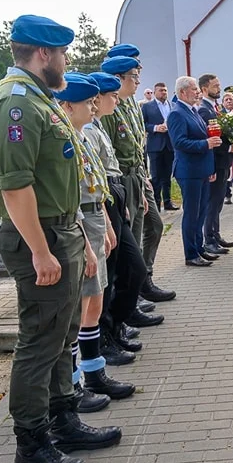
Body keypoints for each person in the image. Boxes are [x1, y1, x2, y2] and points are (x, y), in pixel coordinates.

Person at [0, 14, 120, 463]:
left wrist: (76, 233)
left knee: (62, 337)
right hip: (37, 237)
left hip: (60, 230)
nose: (66, 61)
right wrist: (40, 251)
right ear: (43, 54)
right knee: (40, 342)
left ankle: (64, 419)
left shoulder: (40, 100)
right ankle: (32, 444)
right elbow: (15, 186)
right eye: (62, 53)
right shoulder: (17, 104)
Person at [53, 72, 135, 407]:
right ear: (68, 105)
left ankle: (93, 370)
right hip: (80, 220)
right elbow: (69, 195)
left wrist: (107, 224)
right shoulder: (65, 139)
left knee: (95, 298)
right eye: (87, 102)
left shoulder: (85, 135)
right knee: (81, 305)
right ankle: (74, 384)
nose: (93, 107)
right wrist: (86, 239)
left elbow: (96, 182)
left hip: (95, 216)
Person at [99, 54, 172, 315]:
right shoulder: (109, 107)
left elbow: (136, 144)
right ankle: (128, 293)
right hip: (122, 179)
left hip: (137, 176)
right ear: (118, 78)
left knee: (153, 225)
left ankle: (142, 281)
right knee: (128, 237)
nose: (139, 80)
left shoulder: (128, 104)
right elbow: (106, 153)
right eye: (134, 75)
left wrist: (144, 179)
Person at [86, 72, 148, 366]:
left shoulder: (96, 125)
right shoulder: (87, 129)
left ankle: (114, 327)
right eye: (111, 96)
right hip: (103, 199)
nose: (116, 100)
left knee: (128, 268)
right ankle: (104, 338)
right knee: (110, 276)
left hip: (113, 194)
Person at [167, 76, 221, 267]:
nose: (198, 92)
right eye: (194, 89)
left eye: (197, 89)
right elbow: (179, 142)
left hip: (202, 170)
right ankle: (190, 254)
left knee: (201, 212)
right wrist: (205, 143)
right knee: (192, 213)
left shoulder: (193, 110)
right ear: (182, 92)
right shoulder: (177, 113)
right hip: (189, 171)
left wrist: (210, 167)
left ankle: (199, 249)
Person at [197, 73, 233, 256]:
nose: (219, 89)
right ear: (204, 89)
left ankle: (216, 234)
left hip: (222, 162)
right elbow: (212, 138)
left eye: (219, 85)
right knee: (213, 202)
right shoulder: (204, 110)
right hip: (215, 161)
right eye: (215, 86)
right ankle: (209, 240)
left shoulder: (215, 107)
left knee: (219, 200)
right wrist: (230, 149)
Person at [141, 82, 176, 211]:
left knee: (167, 175)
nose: (164, 93)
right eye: (161, 90)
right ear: (155, 92)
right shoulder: (147, 107)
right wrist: (155, 128)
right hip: (155, 145)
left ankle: (168, 201)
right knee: (156, 176)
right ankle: (156, 203)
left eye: (165, 90)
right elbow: (142, 124)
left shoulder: (173, 106)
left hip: (170, 145)